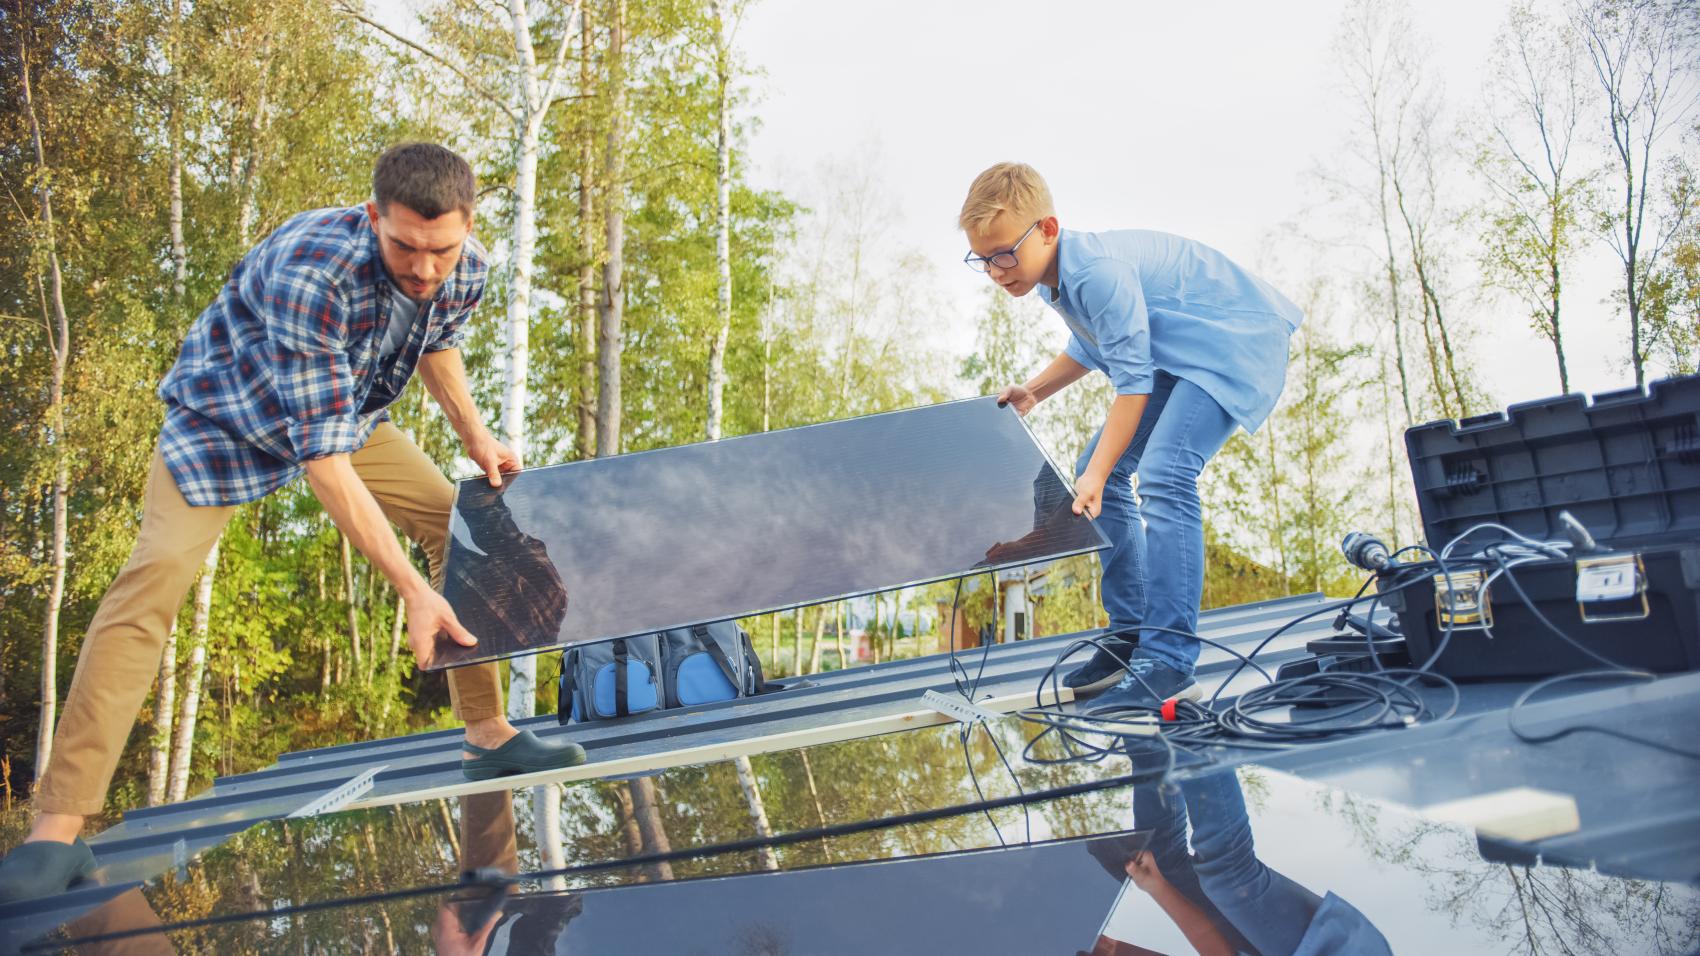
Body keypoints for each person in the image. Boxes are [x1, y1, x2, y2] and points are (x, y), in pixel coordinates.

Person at [0, 142, 585, 904]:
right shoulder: (314, 270)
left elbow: (436, 343)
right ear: (373, 215)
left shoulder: (465, 266)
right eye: (404, 246)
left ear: (467, 228)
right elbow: (323, 464)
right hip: (226, 421)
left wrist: (474, 435)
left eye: (441, 249)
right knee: (155, 581)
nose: (424, 268)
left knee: (458, 525)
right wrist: (412, 589)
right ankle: (56, 833)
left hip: (345, 417)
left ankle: (489, 738)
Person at [958, 162, 1301, 712]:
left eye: (1004, 254)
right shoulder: (1057, 280)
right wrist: (1036, 391)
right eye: (983, 259)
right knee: (1102, 469)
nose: (996, 271)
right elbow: (1099, 347)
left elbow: (1134, 383)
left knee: (1164, 471)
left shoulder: (1095, 272)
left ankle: (1168, 659)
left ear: (1047, 229)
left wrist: (1094, 476)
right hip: (1182, 358)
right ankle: (1130, 636)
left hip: (1233, 344)